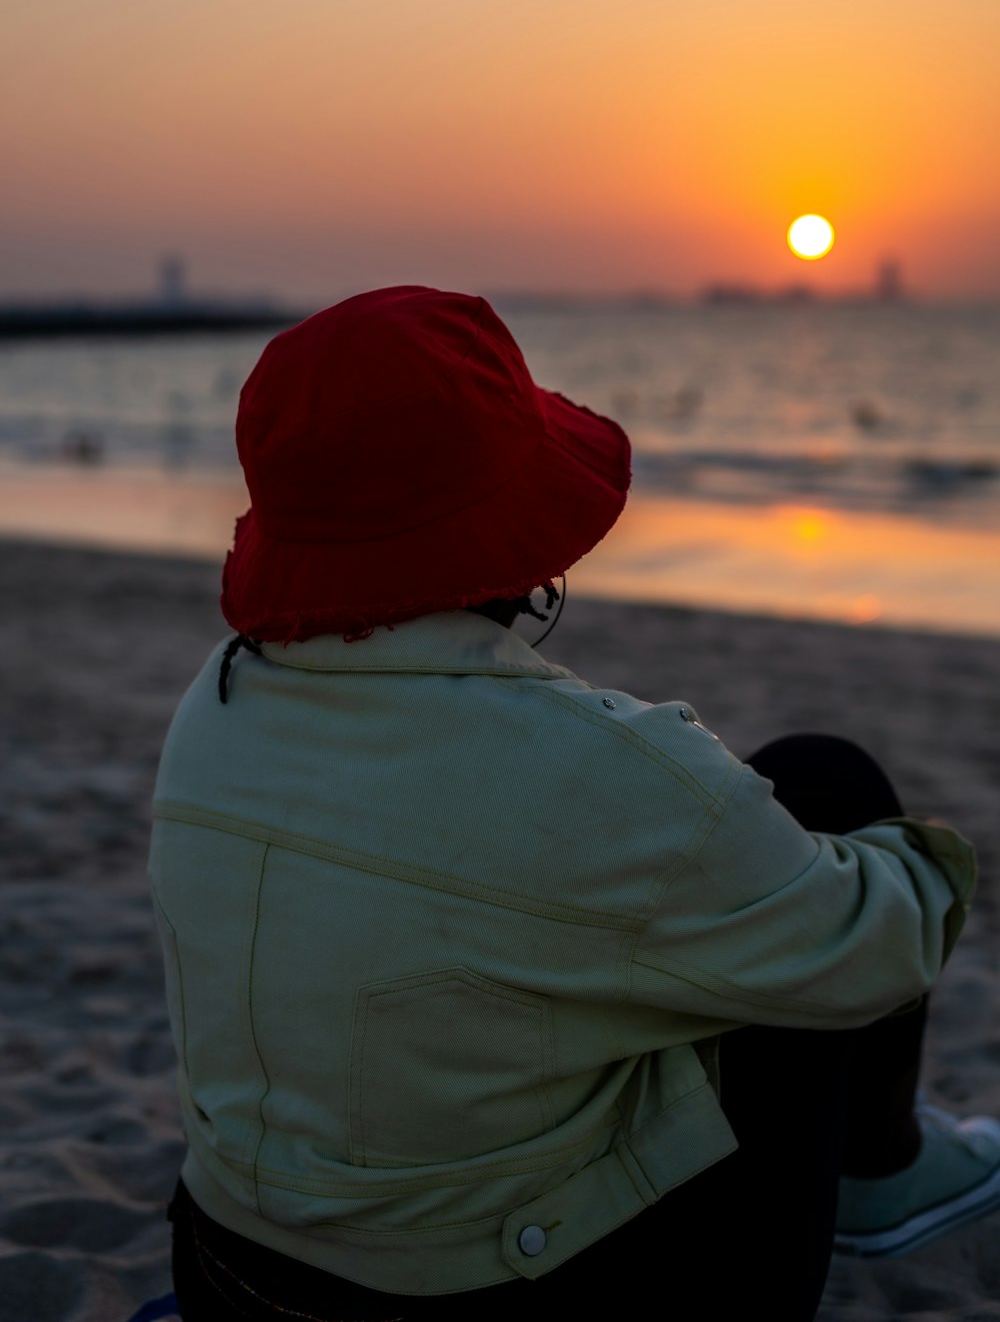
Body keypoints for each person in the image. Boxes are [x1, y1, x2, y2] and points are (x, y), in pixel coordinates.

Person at [151, 285, 1000, 1322]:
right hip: (479, 1302)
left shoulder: (213, 707)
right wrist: (912, 865)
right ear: (514, 510)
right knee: (825, 794)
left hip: (231, 1277)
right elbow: (882, 950)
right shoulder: (606, 778)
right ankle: (883, 1171)